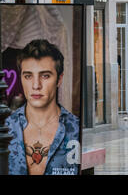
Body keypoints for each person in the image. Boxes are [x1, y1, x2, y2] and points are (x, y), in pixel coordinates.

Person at [6, 39, 79, 175]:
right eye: (28, 76)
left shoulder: (76, 129)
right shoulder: (5, 128)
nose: (36, 85)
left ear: (59, 79)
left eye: (45, 76)